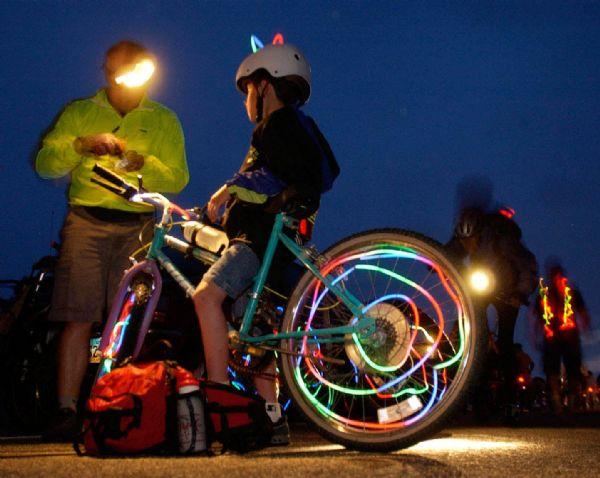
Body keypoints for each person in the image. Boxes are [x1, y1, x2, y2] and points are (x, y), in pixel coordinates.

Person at [36, 40, 189, 439]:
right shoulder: (81, 111)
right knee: (77, 315)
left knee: (127, 320)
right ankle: (66, 409)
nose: (129, 79)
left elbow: (177, 178)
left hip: (137, 228)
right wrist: (81, 145)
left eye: (137, 70)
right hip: (86, 223)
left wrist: (142, 163)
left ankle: (119, 405)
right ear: (107, 72)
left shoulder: (163, 119)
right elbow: (45, 163)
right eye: (121, 71)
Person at [192, 42, 339, 445]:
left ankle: (218, 397)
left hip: (255, 239)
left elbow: (270, 179)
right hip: (273, 241)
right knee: (255, 329)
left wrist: (227, 190)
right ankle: (272, 419)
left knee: (206, 297)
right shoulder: (293, 125)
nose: (245, 101)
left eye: (247, 91)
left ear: (263, 86)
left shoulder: (274, 127)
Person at [446, 205, 538, 416]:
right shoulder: (462, 238)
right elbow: (448, 251)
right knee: (472, 335)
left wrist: (520, 294)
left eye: (473, 240)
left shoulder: (502, 239)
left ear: (481, 233)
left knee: (505, 341)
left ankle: (510, 398)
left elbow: (527, 265)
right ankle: (474, 392)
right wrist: (434, 262)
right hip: (483, 287)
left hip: (508, 289)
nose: (468, 246)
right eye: (464, 241)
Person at [532, 260, 591, 413]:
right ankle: (557, 400)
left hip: (570, 337)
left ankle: (570, 401)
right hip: (552, 338)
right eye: (553, 275)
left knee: (572, 369)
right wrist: (535, 334)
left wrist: (586, 326)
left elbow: (583, 312)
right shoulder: (544, 295)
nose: (556, 278)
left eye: (558, 275)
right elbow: (536, 317)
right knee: (552, 370)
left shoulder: (571, 293)